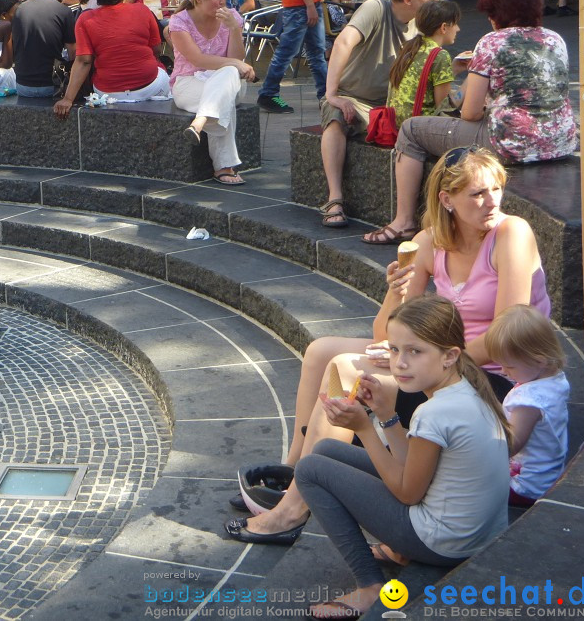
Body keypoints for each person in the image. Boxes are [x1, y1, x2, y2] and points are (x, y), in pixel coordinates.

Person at [229, 149, 550, 549]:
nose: (492, 202)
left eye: (496, 190)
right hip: (441, 355)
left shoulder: (511, 233)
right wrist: (393, 295)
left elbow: (507, 336)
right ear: (446, 199)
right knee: (320, 350)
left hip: (499, 375)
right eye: (478, 194)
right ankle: (295, 470)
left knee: (347, 368)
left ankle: (293, 509)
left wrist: (416, 359)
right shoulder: (428, 243)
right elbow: (385, 331)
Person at [292, 295, 510, 619]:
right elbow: (412, 468)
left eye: (415, 351)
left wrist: (365, 429)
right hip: (480, 535)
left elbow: (409, 493)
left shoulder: (434, 412)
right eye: (394, 349)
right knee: (325, 450)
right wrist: (384, 413)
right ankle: (396, 558)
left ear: (450, 355)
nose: (400, 363)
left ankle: (369, 587)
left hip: (446, 543)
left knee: (310, 468)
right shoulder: (468, 390)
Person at [364, 0, 577, 245]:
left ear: (497, 12)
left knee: (410, 130)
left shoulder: (492, 42)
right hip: (559, 142)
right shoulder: (554, 39)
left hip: (511, 144)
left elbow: (470, 113)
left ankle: (404, 221)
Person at [318, 0, 436, 228]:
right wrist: (332, 94)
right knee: (335, 115)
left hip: (391, 105)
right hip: (354, 98)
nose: (434, 0)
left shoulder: (421, 24)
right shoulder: (376, 7)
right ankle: (334, 198)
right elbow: (343, 42)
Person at [168, 0, 257, 186]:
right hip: (188, 83)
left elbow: (236, 57)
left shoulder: (231, 17)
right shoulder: (179, 22)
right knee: (223, 95)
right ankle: (224, 167)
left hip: (227, 82)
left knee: (227, 74)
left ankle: (200, 122)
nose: (222, 1)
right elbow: (197, 59)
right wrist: (236, 64)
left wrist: (234, 28)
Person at [54, 0, 169, 118]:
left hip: (107, 91)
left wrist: (67, 99)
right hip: (150, 86)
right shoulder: (143, 10)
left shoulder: (85, 19)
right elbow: (156, 50)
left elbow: (83, 61)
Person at [486, 305, 570, 507]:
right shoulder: (555, 379)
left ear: (539, 360)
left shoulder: (528, 402)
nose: (504, 372)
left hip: (524, 486)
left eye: (510, 366)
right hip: (549, 475)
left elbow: (512, 445)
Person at [377, 0, 459, 133]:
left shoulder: (410, 47)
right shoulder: (439, 55)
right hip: (420, 130)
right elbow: (444, 108)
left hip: (396, 126)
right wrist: (470, 81)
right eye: (455, 24)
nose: (458, 29)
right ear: (444, 27)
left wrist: (454, 69)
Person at [12, 0, 77, 98]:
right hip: (52, 83)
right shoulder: (64, 12)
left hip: (23, 83)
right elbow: (73, 52)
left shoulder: (19, 10)